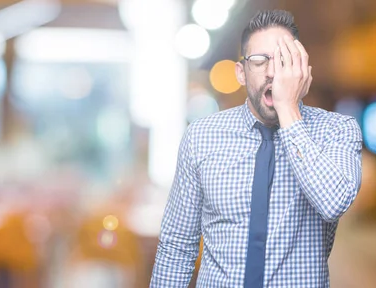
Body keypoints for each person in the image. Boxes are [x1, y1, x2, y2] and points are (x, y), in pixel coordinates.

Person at [150, 9, 363, 288]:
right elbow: (177, 247)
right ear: (241, 72)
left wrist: (288, 108)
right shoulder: (201, 137)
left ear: (301, 69)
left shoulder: (337, 130)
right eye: (261, 61)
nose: (274, 72)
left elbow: (333, 203)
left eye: (285, 61)